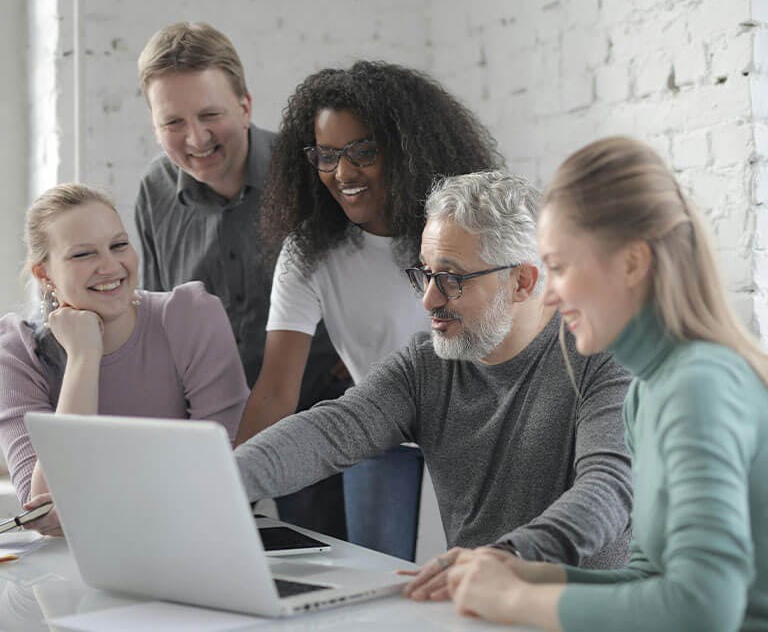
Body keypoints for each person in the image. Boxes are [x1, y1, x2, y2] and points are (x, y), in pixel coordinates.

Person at [441, 137, 768, 632]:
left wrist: (513, 601)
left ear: (633, 263)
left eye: (559, 267)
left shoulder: (701, 383)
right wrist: (531, 575)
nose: (548, 294)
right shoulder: (646, 392)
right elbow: (650, 577)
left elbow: (704, 608)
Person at [234, 170, 633, 568]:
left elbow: (608, 489)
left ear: (521, 282)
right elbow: (330, 431)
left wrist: (508, 557)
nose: (428, 299)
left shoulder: (605, 359)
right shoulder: (426, 366)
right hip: (479, 606)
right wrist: (217, 478)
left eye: (451, 278)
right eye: (426, 273)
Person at [235, 61, 506, 561]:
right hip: (378, 437)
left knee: (473, 582)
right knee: (383, 581)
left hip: (476, 434)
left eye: (363, 151)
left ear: (406, 150)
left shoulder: (459, 231)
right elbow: (275, 391)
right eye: (327, 154)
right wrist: (224, 494)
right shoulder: (309, 252)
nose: (343, 172)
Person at [133, 22, 347, 538]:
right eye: (173, 123)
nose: (196, 138)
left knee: (333, 578)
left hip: (318, 427)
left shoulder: (312, 175)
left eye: (210, 115)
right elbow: (161, 324)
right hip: (207, 436)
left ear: (246, 106)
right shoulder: (153, 194)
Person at [0, 184, 248, 535]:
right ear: (44, 274)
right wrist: (83, 358)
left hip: (190, 539)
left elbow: (219, 475)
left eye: (119, 245)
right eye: (83, 255)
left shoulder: (191, 317)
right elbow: (45, 509)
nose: (110, 265)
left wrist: (91, 501)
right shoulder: (16, 350)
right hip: (70, 563)